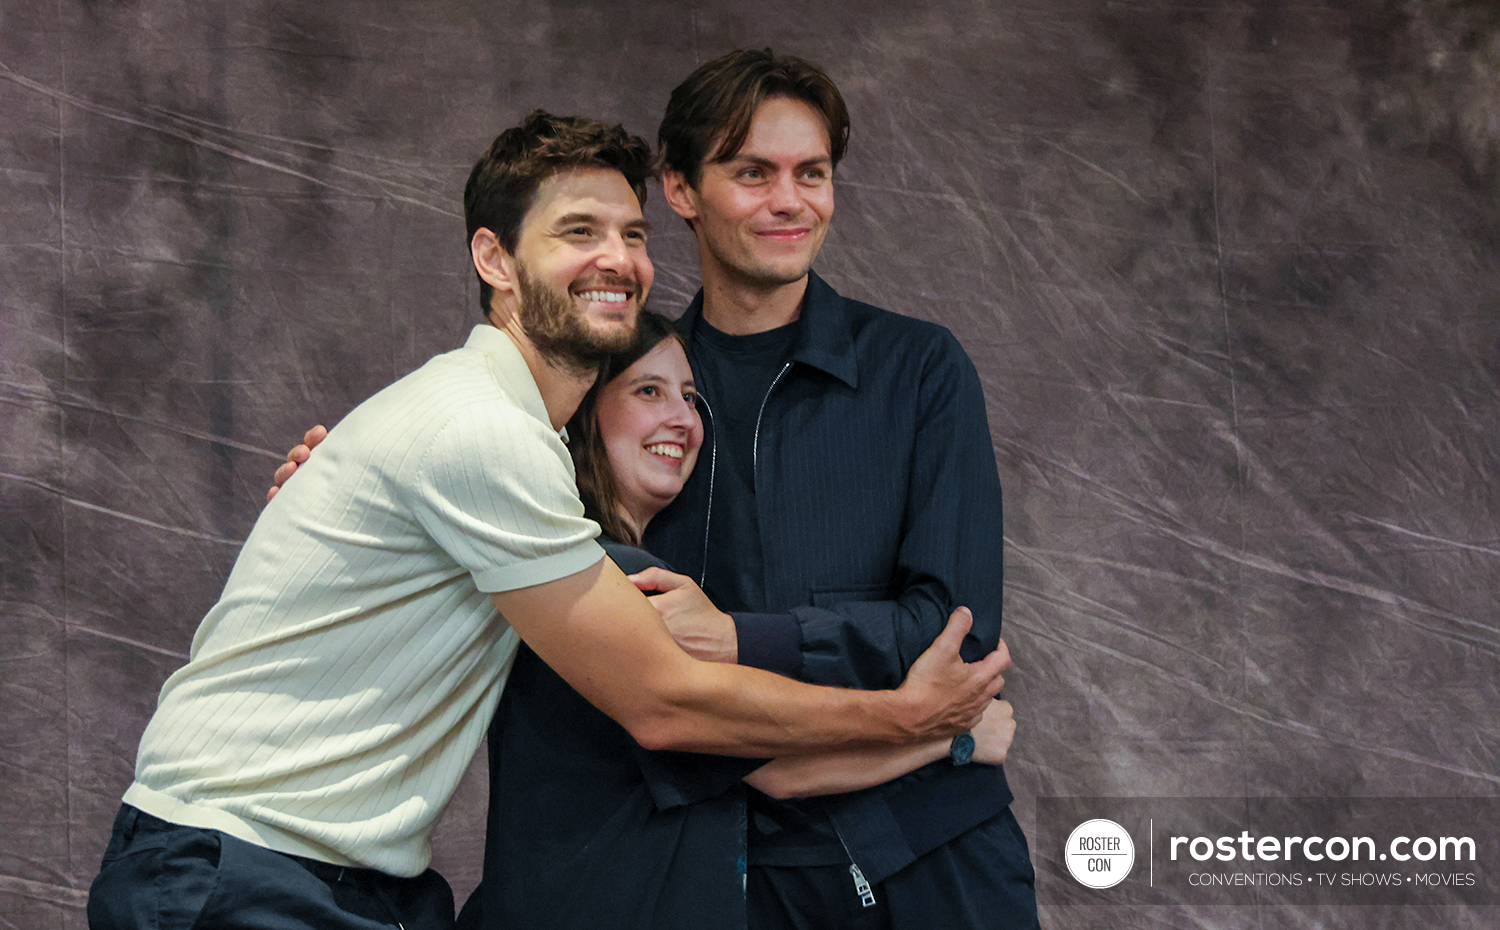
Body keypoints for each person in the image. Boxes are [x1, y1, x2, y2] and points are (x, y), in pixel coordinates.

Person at [88, 111, 1009, 930]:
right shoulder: (483, 430)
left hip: (352, 883)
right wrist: (910, 718)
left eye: (633, 234)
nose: (619, 259)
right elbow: (664, 702)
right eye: (578, 231)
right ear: (494, 259)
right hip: (234, 868)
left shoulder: (510, 447)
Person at [633, 49, 1041, 929]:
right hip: (727, 871)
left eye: (810, 173)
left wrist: (737, 638)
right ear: (679, 189)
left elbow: (952, 633)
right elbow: (646, 685)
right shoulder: (631, 397)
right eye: (753, 173)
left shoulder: (919, 368)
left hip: (933, 856)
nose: (791, 201)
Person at [459, 309, 1015, 929]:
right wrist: (951, 737)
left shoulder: (592, 571)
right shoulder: (614, 583)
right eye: (649, 391)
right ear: (582, 411)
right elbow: (782, 769)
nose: (684, 418)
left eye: (691, 398)